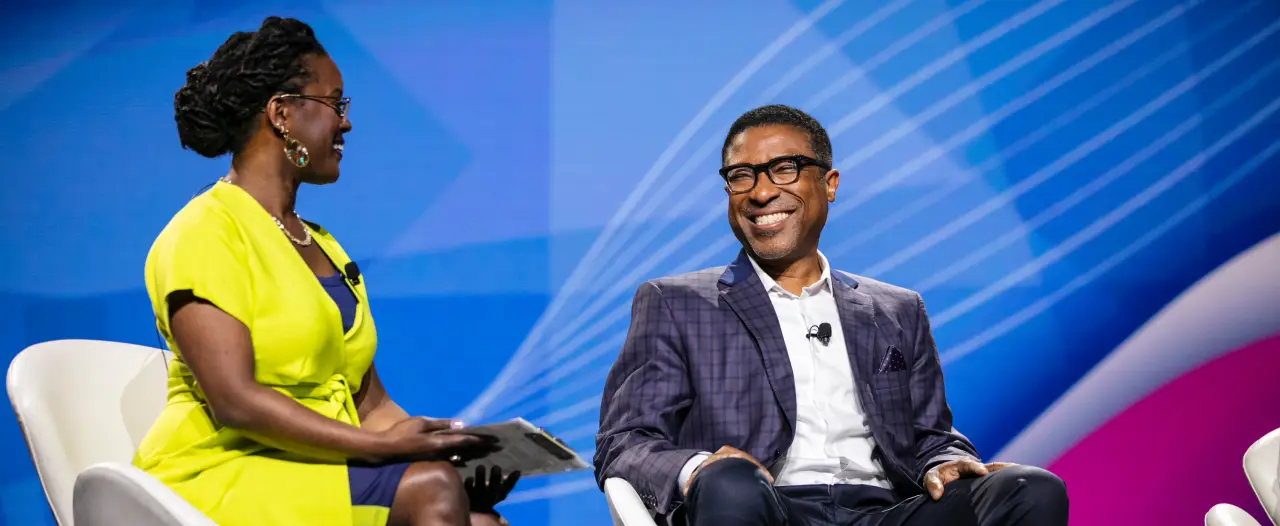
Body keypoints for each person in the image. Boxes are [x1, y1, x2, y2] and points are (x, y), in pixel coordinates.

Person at [594, 104, 1068, 525]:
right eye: (741, 175)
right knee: (730, 481)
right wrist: (700, 469)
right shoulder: (677, 303)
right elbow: (624, 442)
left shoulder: (897, 309)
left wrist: (944, 460)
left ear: (829, 183)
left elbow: (930, 436)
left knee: (1032, 488)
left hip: (885, 511)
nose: (760, 193)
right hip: (761, 506)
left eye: (783, 169)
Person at [137, 16, 518, 526]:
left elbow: (372, 404)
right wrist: (380, 451)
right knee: (430, 490)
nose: (345, 122)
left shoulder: (323, 245)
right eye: (334, 104)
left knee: (479, 516)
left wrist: (443, 446)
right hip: (221, 470)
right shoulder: (204, 232)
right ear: (281, 113)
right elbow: (236, 401)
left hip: (316, 462)